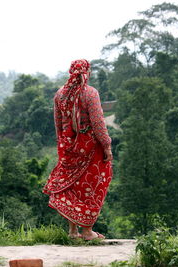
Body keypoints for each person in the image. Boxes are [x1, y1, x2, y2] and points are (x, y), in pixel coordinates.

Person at [43, 59, 113, 241]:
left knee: (71, 187)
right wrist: (106, 145)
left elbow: (58, 124)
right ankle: (88, 231)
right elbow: (98, 123)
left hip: (68, 148)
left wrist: (63, 146)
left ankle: (73, 232)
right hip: (90, 149)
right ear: (87, 72)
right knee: (92, 186)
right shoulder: (90, 94)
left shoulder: (60, 95)